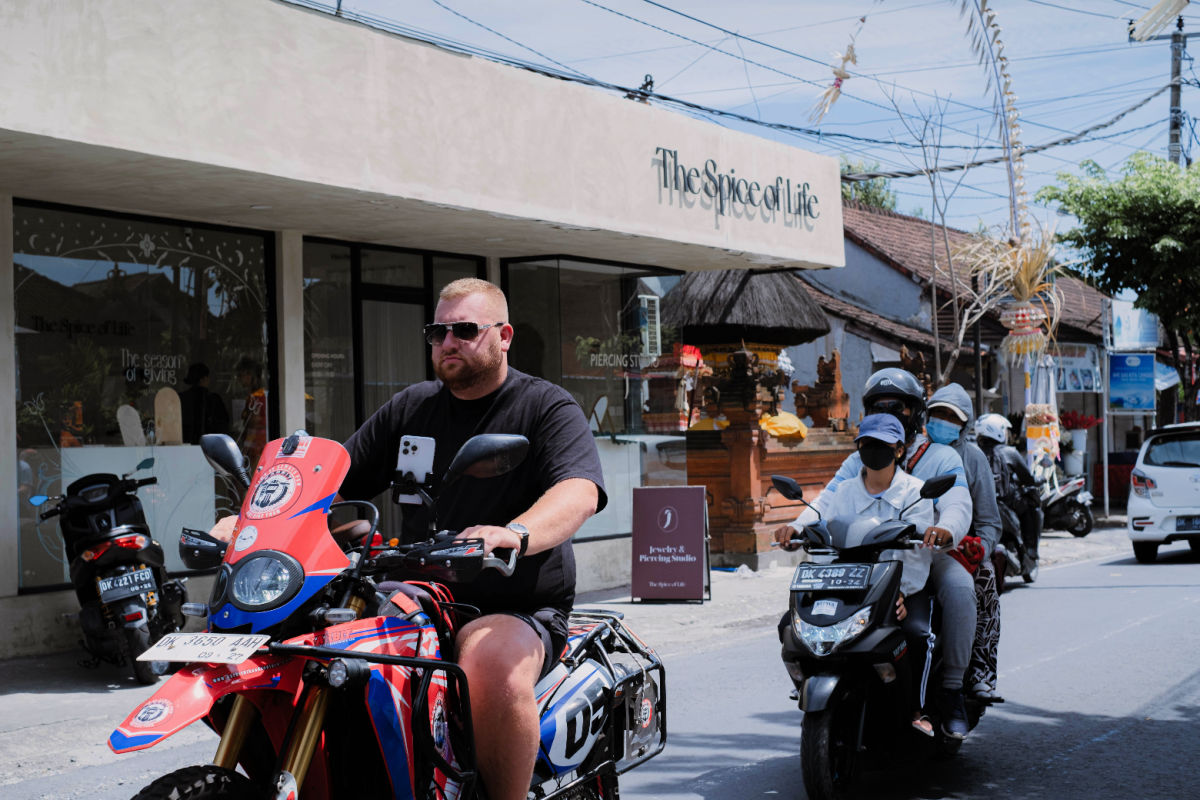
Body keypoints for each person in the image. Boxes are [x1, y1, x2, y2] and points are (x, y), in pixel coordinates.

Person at [337, 278, 606, 800]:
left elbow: (578, 491)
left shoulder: (545, 408)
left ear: (503, 336)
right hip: (416, 595)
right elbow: (335, 480)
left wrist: (515, 534)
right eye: (438, 331)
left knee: (488, 664)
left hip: (511, 602)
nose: (448, 342)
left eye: (464, 329)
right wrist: (254, 520)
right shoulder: (409, 409)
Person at [774, 367, 976, 739]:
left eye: (896, 406)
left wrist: (945, 528)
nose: (888, 412)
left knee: (959, 591)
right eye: (878, 406)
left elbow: (958, 504)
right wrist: (798, 527)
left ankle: (950, 692)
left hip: (920, 553)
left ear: (913, 412)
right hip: (860, 561)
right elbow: (828, 501)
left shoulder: (942, 457)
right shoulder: (858, 462)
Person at [779, 414, 938, 734]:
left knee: (919, 634)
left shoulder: (915, 492)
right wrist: (794, 529)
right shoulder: (845, 491)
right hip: (849, 584)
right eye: (865, 443)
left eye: (880, 444)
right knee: (790, 625)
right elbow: (818, 516)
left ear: (898, 449)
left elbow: (919, 554)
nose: (872, 449)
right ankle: (807, 682)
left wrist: (901, 592)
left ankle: (917, 709)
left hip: (898, 588)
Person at [926, 384, 1004, 701]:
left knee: (984, 582)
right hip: (909, 548)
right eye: (937, 414)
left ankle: (979, 672)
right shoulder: (910, 451)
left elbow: (989, 521)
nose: (942, 421)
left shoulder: (973, 458)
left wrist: (978, 547)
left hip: (959, 551)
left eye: (951, 416)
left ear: (964, 424)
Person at [976, 413, 1043, 573]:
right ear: (997, 431)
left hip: (979, 502)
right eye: (1004, 431)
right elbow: (1028, 478)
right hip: (1006, 503)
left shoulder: (974, 452)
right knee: (1031, 506)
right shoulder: (1009, 452)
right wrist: (1036, 480)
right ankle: (1031, 548)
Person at [177, 363, 229, 444]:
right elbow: (223, 426)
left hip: (185, 448)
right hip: (210, 447)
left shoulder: (181, 398)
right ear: (203, 379)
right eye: (208, 377)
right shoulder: (214, 399)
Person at [234, 357, 268, 468]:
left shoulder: (259, 397)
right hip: (253, 446)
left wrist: (246, 448)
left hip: (258, 447)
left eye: (240, 375)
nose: (239, 379)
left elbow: (254, 423)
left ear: (250, 375)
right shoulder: (253, 397)